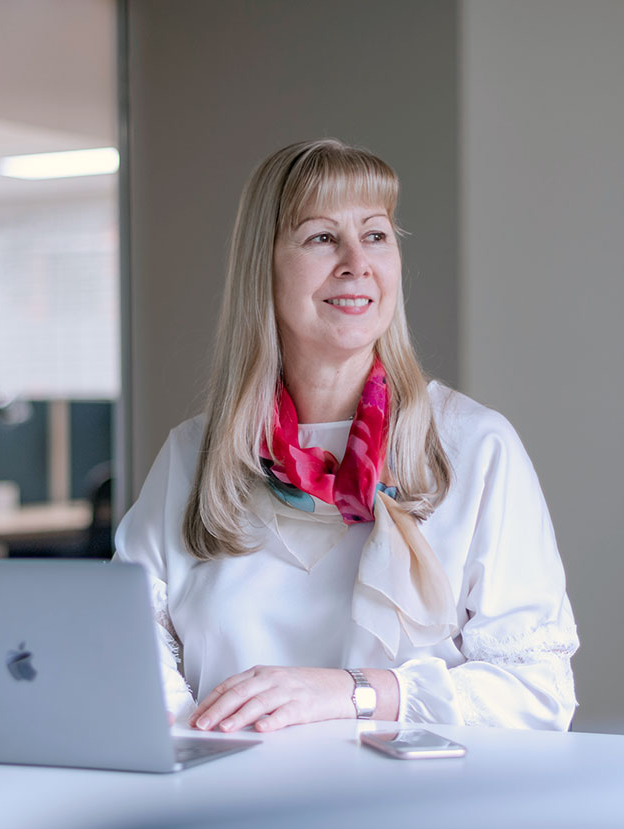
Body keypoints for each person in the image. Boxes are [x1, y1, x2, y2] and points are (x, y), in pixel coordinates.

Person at [113, 139, 578, 734]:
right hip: (229, 808)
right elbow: (128, 646)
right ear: (266, 264)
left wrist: (355, 694)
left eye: (376, 235)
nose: (356, 262)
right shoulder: (192, 456)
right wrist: (196, 743)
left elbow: (538, 690)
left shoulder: (475, 446)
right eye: (321, 237)